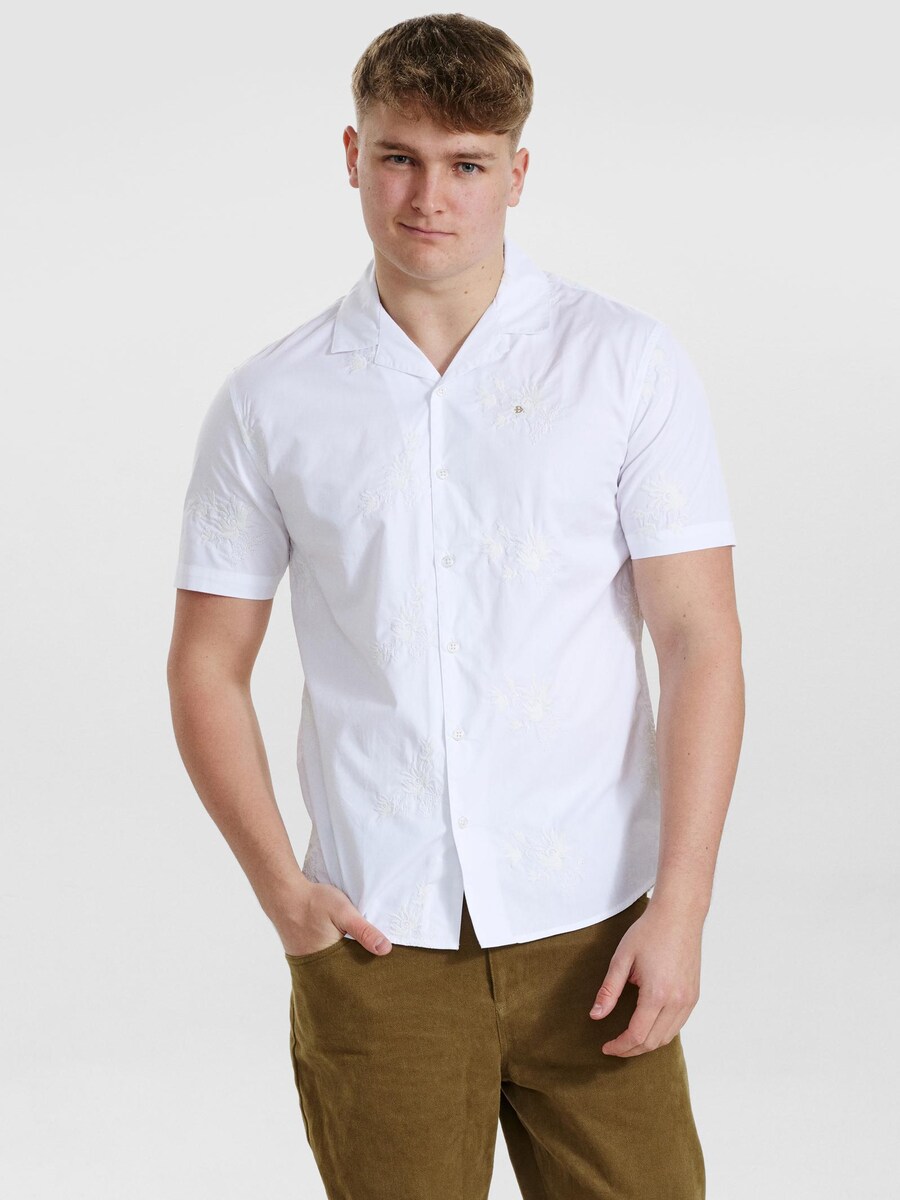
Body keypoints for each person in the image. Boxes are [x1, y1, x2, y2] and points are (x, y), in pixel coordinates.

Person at [167, 13, 744, 1200]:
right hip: (377, 941)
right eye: (400, 157)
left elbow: (698, 641)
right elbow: (206, 664)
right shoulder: (271, 401)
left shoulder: (623, 364)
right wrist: (284, 893)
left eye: (467, 164)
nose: (430, 197)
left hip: (598, 929)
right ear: (353, 155)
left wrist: (681, 909)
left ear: (516, 173)